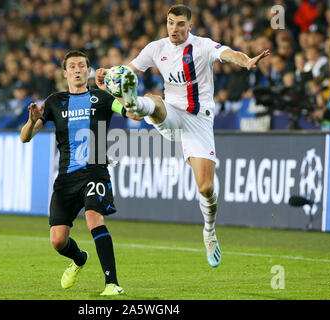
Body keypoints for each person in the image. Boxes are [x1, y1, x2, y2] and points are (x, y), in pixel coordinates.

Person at [96, 4, 270, 268]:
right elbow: (128, 70)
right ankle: (133, 104)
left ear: (190, 26)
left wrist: (245, 60)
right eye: (170, 23)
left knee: (206, 188)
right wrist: (110, 75)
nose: (174, 29)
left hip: (199, 122)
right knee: (153, 102)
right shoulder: (156, 48)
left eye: (179, 24)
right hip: (172, 112)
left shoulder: (202, 46)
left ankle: (209, 232)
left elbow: (227, 53)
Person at [20, 50, 139, 295]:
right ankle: (79, 258)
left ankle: (112, 284)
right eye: (72, 66)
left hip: (95, 170)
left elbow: (133, 113)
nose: (76, 70)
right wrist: (33, 121)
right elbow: (25, 138)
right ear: (64, 73)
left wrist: (127, 95)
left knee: (94, 216)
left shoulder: (104, 99)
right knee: (57, 240)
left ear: (88, 71)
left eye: (81, 66)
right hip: (66, 177)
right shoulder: (55, 102)